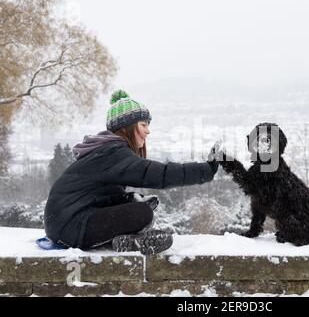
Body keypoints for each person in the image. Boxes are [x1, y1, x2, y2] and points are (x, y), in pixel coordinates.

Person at [44, 90, 220, 255]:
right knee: (142, 214)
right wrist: (205, 170)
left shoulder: (106, 151)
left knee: (138, 208)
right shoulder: (113, 153)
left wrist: (128, 198)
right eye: (143, 124)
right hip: (70, 226)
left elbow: (97, 195)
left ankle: (121, 239)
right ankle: (125, 241)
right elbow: (158, 174)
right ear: (126, 127)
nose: (147, 131)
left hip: (63, 224)